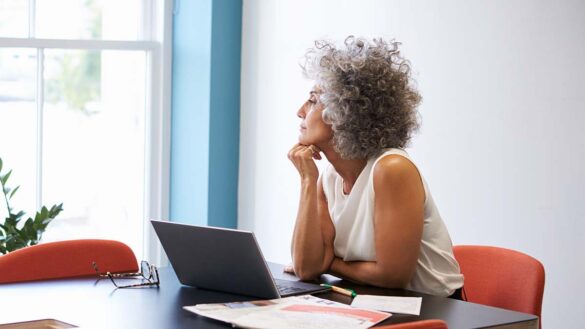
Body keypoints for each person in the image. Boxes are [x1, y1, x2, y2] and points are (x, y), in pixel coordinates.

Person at [287, 36, 464, 298]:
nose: (300, 111)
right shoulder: (329, 177)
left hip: (433, 309)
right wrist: (306, 181)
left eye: (313, 99)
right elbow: (306, 268)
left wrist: (330, 263)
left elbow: (392, 276)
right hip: (373, 302)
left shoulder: (392, 169)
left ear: (343, 110)